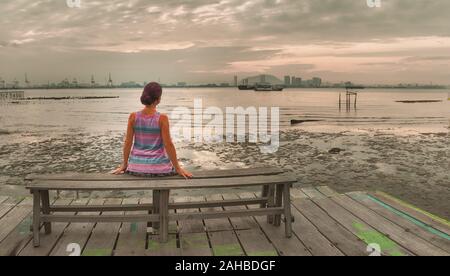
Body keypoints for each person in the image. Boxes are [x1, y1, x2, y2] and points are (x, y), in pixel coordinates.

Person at [112, 82, 193, 179]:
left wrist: (124, 165)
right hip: (159, 168)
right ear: (158, 100)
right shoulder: (162, 118)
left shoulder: (133, 117)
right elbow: (168, 144)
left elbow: (128, 142)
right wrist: (178, 168)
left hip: (136, 168)